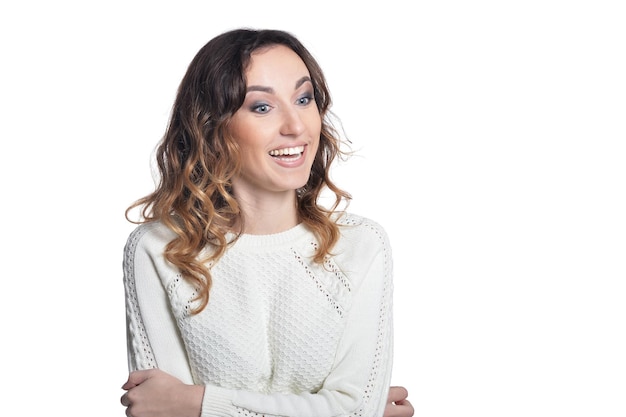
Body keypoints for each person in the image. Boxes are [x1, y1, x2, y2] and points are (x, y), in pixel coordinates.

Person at [120, 28, 414, 417]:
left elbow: (354, 411)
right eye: (262, 107)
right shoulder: (160, 250)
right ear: (210, 126)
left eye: (304, 98)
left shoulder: (361, 246)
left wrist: (198, 404)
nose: (296, 126)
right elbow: (157, 411)